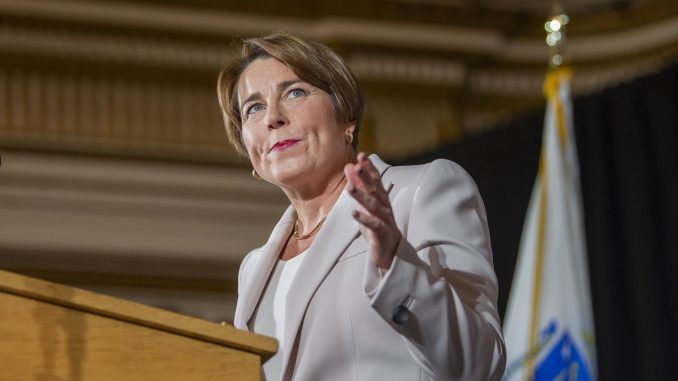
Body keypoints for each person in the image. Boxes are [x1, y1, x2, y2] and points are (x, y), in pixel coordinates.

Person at [217, 32, 506, 381]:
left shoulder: (419, 193)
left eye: (294, 92)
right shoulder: (253, 268)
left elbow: (479, 365)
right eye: (254, 107)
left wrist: (396, 264)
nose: (272, 118)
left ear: (346, 117)